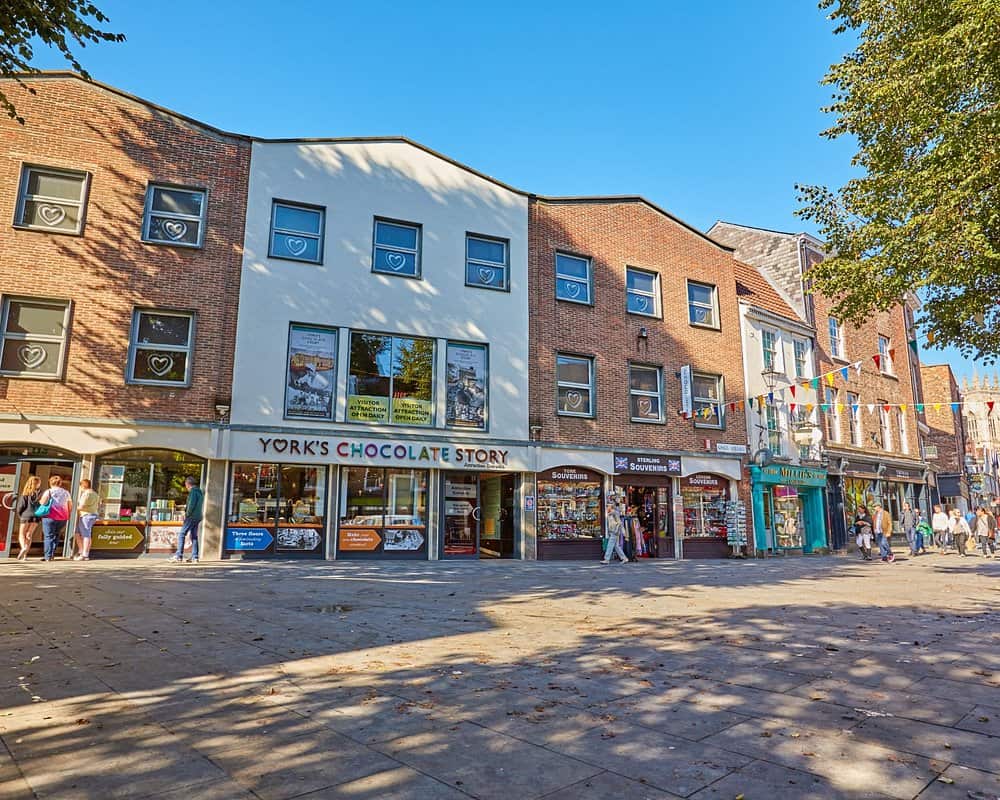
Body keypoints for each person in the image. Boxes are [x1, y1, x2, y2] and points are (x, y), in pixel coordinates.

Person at [37, 475, 72, 562]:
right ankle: (52, 554)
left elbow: (43, 503)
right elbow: (70, 505)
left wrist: (40, 501)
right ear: (60, 483)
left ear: (50, 483)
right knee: (56, 535)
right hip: (62, 517)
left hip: (50, 516)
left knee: (48, 536)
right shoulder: (66, 492)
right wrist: (68, 514)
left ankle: (48, 556)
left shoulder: (49, 492)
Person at [170, 476, 204, 563]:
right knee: (194, 536)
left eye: (185, 485)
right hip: (198, 517)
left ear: (188, 484)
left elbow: (191, 505)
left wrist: (187, 514)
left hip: (191, 517)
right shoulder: (199, 492)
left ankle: (178, 556)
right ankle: (195, 557)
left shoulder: (193, 492)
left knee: (182, 534)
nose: (186, 487)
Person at [15, 475, 42, 560]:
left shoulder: (25, 494)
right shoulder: (40, 494)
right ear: (37, 484)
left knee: (21, 534)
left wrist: (20, 515)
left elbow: (20, 507)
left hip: (25, 516)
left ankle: (23, 548)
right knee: (29, 535)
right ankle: (25, 555)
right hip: (36, 517)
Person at [73, 478, 99, 561]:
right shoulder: (95, 494)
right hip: (90, 515)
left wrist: (73, 508)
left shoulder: (86, 494)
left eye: (80, 486)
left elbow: (82, 506)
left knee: (86, 535)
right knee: (78, 533)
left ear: (83, 485)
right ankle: (82, 551)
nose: (80, 488)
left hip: (86, 515)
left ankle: (85, 554)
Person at [601, 494, 628, 564]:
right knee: (616, 546)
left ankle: (606, 559)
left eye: (608, 506)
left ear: (611, 506)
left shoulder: (615, 513)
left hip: (615, 531)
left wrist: (624, 533)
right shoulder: (610, 513)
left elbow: (620, 523)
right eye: (607, 506)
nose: (607, 507)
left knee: (610, 545)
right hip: (612, 531)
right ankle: (624, 558)